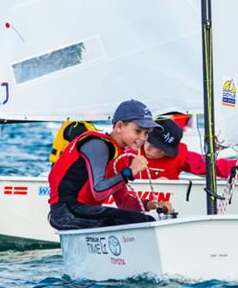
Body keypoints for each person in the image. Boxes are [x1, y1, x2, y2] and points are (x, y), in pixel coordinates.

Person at [47, 99, 173, 230]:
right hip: (65, 211)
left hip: (82, 212)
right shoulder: (98, 144)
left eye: (146, 133)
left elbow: (124, 202)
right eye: (138, 131)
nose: (143, 138)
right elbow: (98, 191)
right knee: (143, 221)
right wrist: (130, 171)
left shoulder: (121, 157)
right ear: (119, 127)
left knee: (144, 219)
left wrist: (153, 204)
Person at [115, 116, 238, 182]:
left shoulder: (179, 156)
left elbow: (214, 166)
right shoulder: (128, 154)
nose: (150, 148)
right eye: (150, 141)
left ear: (168, 151)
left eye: (160, 148)